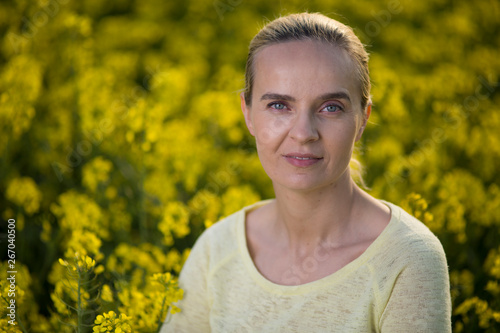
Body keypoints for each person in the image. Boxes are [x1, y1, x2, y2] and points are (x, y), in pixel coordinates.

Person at [161, 12, 451, 332]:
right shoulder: (216, 250)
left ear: (363, 119)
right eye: (279, 106)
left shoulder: (407, 260)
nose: (303, 133)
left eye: (330, 107)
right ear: (248, 114)